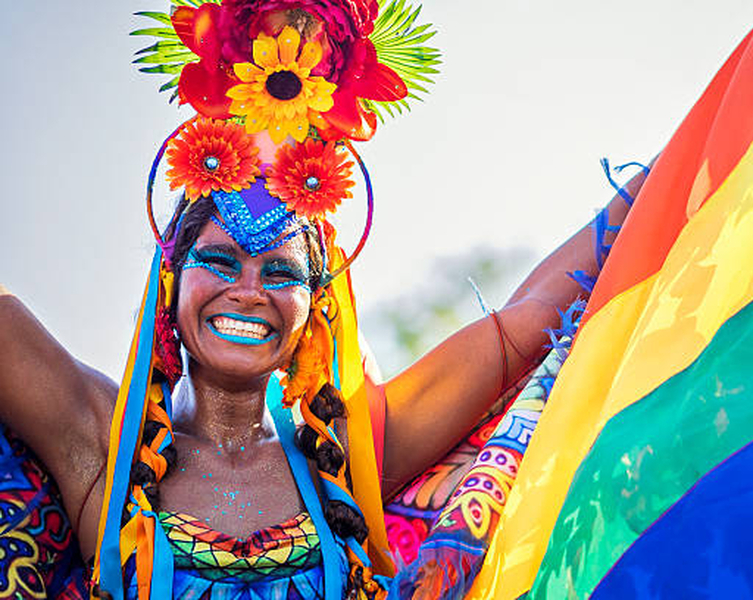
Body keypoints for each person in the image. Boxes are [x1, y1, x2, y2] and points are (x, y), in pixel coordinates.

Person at [0, 1, 646, 597]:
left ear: (317, 304)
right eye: (220, 262)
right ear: (171, 278)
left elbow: (527, 320)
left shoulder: (350, 451)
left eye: (280, 273)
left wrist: (670, 175)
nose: (247, 291)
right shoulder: (102, 445)